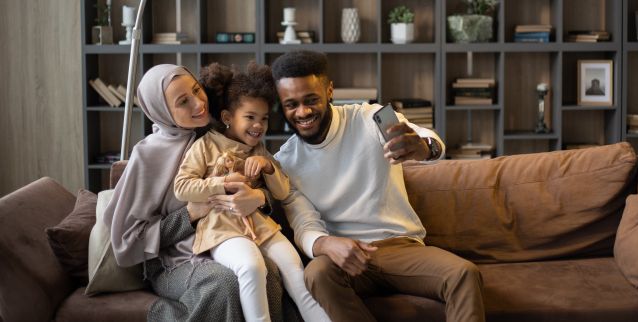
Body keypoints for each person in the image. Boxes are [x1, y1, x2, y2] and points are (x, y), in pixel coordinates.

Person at [271, 50, 486, 322]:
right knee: (316, 273)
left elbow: (428, 139)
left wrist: (422, 147)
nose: (302, 112)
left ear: (329, 91)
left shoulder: (370, 117)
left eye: (311, 100)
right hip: (347, 258)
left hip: (400, 246)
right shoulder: (286, 162)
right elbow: (304, 224)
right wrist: (326, 244)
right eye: (291, 104)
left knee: (464, 274)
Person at [103, 64, 283, 322]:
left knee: (269, 273)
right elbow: (129, 239)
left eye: (197, 90)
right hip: (173, 261)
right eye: (183, 101)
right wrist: (189, 215)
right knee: (223, 283)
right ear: (162, 111)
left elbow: (265, 182)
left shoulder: (219, 132)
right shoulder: (148, 156)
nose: (199, 104)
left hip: (225, 239)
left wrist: (259, 198)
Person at [173, 62, 330, 322]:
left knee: (294, 267)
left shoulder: (259, 151)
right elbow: (182, 187)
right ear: (227, 118)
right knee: (251, 266)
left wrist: (269, 168)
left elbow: (282, 192)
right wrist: (221, 184)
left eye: (264, 118)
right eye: (250, 117)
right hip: (221, 230)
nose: (259, 126)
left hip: (261, 227)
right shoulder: (205, 146)